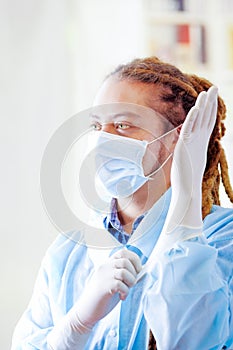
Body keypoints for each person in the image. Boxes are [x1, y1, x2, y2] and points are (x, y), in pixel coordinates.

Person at [12, 56, 233, 350]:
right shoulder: (69, 252)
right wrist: (78, 323)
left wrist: (186, 200)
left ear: (179, 138)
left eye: (122, 125)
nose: (103, 140)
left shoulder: (223, 237)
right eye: (96, 126)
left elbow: (195, 340)